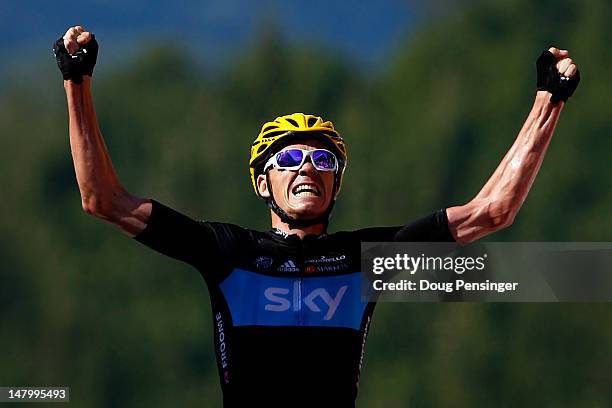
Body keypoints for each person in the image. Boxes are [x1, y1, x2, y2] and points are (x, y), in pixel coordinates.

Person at [53, 25, 580, 407]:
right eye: (288, 158)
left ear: (336, 183)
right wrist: (77, 82)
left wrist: (547, 100)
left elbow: (492, 212)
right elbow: (102, 198)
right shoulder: (228, 252)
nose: (307, 167)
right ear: (263, 182)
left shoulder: (366, 260)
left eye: (322, 159)